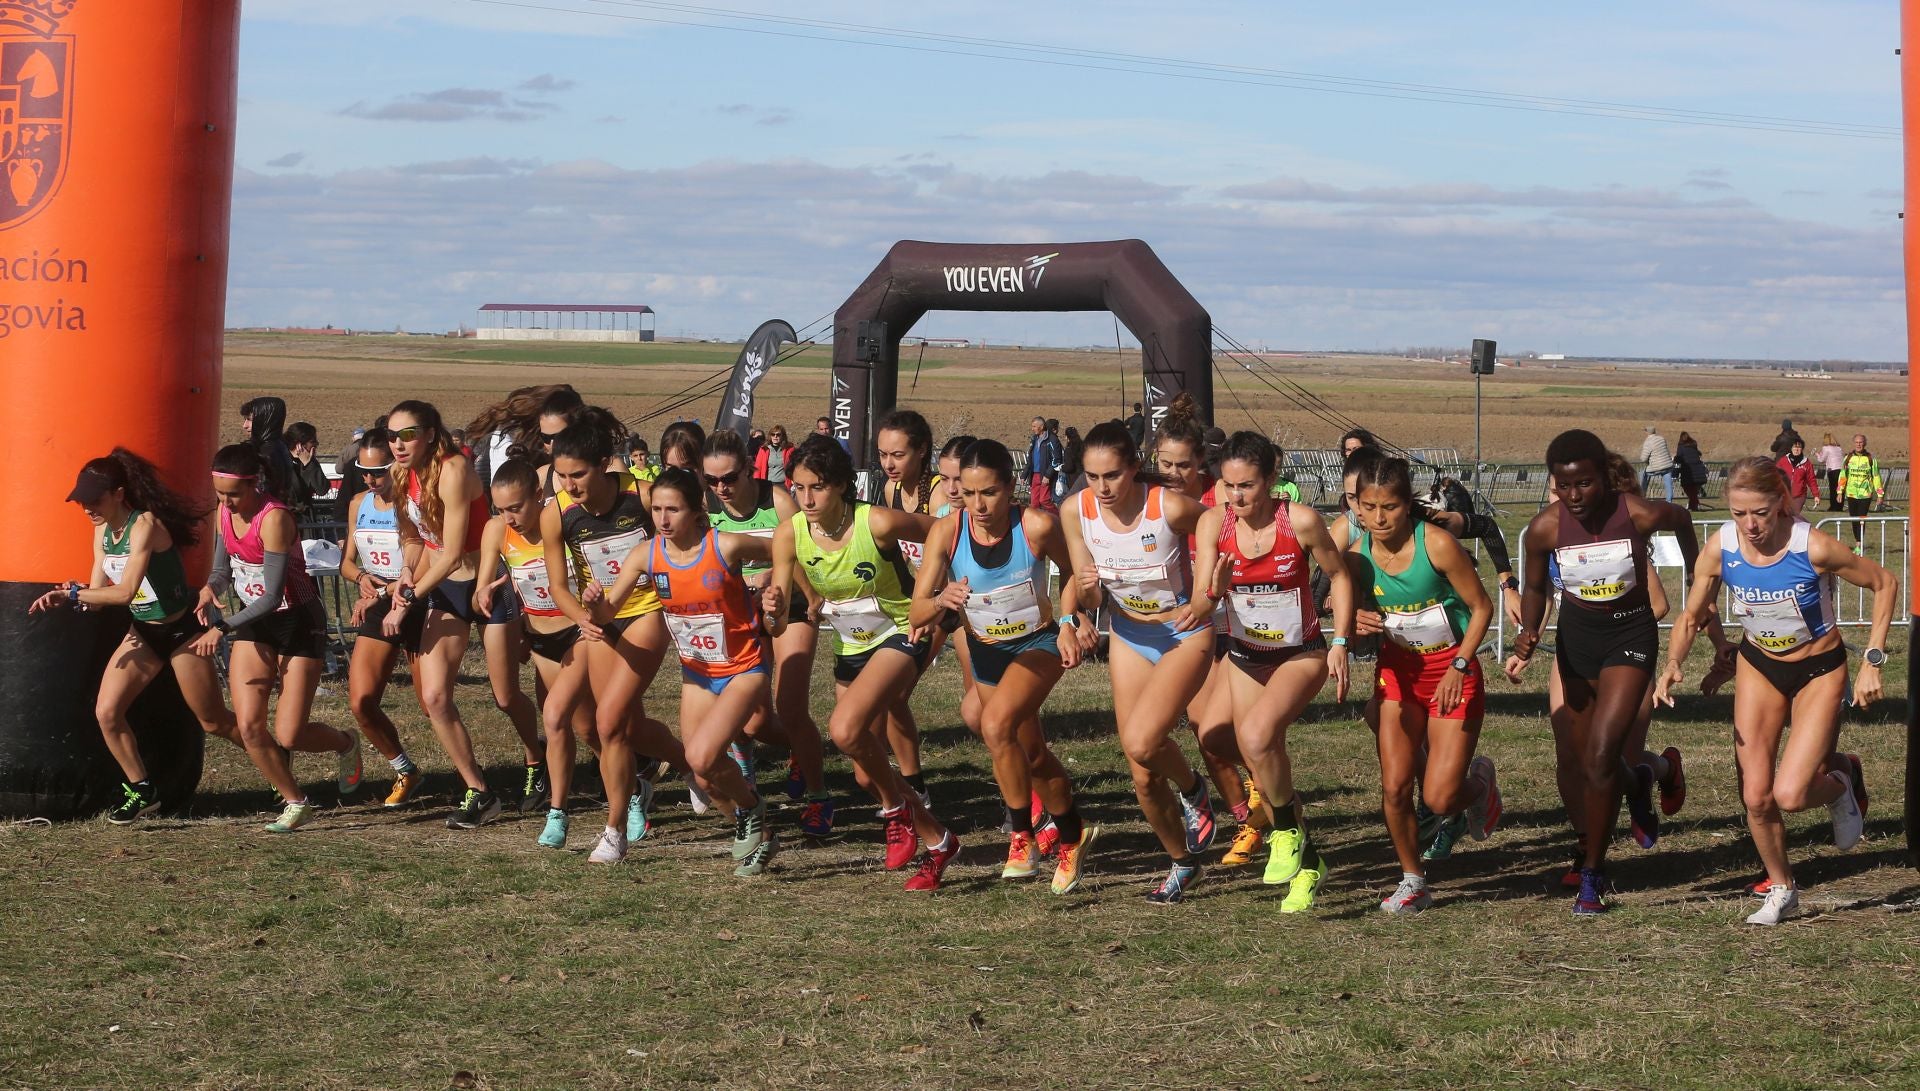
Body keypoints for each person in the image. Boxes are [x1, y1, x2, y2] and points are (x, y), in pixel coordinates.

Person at [1657, 456, 1895, 925]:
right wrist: (1673, 663)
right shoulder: (1720, 548)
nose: (1750, 525)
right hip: (1759, 665)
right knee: (1757, 796)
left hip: (1818, 670)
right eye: (1739, 513)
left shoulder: (1815, 547)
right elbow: (1692, 614)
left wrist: (1872, 661)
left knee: (1789, 794)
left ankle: (1840, 782)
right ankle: (1782, 888)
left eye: (1760, 513)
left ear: (1782, 504)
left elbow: (1884, 583)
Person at [1506, 428, 1699, 915]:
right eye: (1563, 485)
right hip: (1578, 645)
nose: (1574, 496)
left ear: (1604, 479)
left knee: (1599, 754)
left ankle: (1591, 873)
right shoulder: (1545, 528)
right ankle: (1643, 782)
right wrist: (1528, 630)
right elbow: (1534, 588)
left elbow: (1681, 518)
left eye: (1585, 484)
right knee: (1591, 759)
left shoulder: (1636, 512)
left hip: (1630, 639)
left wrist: (1699, 580)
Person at [764, 435, 961, 891]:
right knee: (862, 770)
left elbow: (944, 530)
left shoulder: (875, 521)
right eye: (798, 488)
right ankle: (938, 840)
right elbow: (775, 625)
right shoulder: (788, 533)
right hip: (852, 645)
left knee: (844, 729)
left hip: (901, 632)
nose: (806, 499)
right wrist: (773, 608)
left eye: (817, 488)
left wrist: (937, 590)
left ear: (841, 486)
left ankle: (895, 814)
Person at [909, 438, 1100, 894]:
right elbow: (916, 612)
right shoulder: (947, 532)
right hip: (987, 648)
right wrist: (941, 600)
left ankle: (1021, 837)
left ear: (1010, 487)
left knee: (994, 724)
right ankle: (1074, 835)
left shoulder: (1034, 525)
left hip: (1039, 643)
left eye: (988, 492)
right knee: (1029, 754)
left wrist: (1073, 620)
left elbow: (1075, 570)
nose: (977, 504)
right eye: (968, 493)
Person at [27, 450, 253, 822]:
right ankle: (142, 789)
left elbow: (125, 592)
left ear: (118, 493)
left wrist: (73, 594)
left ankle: (273, 759)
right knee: (107, 712)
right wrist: (77, 591)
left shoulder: (144, 524)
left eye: (94, 500)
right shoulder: (101, 530)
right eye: (82, 502)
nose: (87, 508)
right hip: (144, 632)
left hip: (181, 633)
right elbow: (100, 598)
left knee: (213, 721)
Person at [1190, 431, 1354, 912]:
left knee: (1258, 737)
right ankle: (1309, 863)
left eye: (1248, 486)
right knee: (1261, 759)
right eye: (1229, 486)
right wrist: (1215, 591)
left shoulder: (1299, 521)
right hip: (1245, 654)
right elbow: (1202, 604)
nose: (1237, 497)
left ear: (1271, 479)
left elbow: (1340, 576)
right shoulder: (1211, 525)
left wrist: (1341, 641)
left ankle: (1282, 832)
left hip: (1300, 652)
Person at [1061, 421, 1220, 904]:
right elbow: (1083, 587)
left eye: (1111, 475)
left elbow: (1213, 521)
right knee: (1141, 770)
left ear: (1133, 468)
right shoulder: (1077, 511)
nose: (1102, 488)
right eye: (1091, 476)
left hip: (1182, 633)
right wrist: (1080, 603)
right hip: (1129, 632)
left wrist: (1204, 588)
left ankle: (1194, 791)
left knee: (1142, 739)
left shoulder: (1165, 505)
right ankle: (1182, 862)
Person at [601, 467, 780, 877]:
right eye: (658, 509)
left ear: (696, 511)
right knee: (702, 773)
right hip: (697, 672)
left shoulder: (726, 546)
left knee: (702, 754)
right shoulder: (648, 553)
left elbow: (784, 548)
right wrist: (594, 605)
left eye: (673, 510)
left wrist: (774, 588)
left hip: (743, 667)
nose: (663, 519)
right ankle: (759, 831)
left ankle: (752, 810)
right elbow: (610, 608)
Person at [1346, 452, 1499, 913]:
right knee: (1394, 786)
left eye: (1389, 507)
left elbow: (1482, 609)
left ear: (1406, 502)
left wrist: (1459, 666)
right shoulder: (1358, 558)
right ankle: (1413, 881)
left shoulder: (1436, 545)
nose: (1378, 518)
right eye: (1368, 508)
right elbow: (1348, 619)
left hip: (1451, 671)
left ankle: (1480, 788)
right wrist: (1356, 620)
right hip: (1398, 673)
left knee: (1438, 795)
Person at [543, 407, 690, 863]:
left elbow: (687, 541)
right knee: (621, 727)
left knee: (608, 722)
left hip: (648, 610)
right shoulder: (557, 515)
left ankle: (614, 831)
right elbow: (557, 586)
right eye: (562, 476)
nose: (569, 485)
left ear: (606, 462)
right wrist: (581, 618)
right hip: (599, 620)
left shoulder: (644, 497)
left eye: (578, 474)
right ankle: (691, 765)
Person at [197, 443, 362, 832]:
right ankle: (295, 800)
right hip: (255, 623)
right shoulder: (224, 512)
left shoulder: (274, 519)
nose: (226, 502)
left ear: (255, 484)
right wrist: (209, 587)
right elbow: (223, 569)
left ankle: (345, 743)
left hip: (298, 621)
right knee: (251, 726)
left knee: (291, 732)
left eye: (233, 494)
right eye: (219, 494)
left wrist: (222, 627)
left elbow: (272, 597)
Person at [702, 428, 833, 837]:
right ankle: (794, 753)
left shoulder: (775, 499)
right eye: (712, 480)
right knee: (754, 721)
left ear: (747, 469)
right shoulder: (706, 509)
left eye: (730, 478)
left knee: (790, 709)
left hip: (791, 606)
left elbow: (800, 552)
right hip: (741, 616)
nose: (721, 488)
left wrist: (779, 582)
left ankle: (819, 798)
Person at [381, 400, 502, 828]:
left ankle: (549, 767)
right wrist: (403, 574)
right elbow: (415, 538)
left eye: (408, 434)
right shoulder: (401, 474)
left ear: (431, 433)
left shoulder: (452, 471)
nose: (398, 443)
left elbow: (452, 554)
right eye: (392, 435)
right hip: (443, 586)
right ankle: (480, 792)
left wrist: (409, 600)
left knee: (512, 696)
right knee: (434, 698)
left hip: (485, 578)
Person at [472, 459, 602, 850]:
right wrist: (487, 590)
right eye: (500, 509)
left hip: (577, 632)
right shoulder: (497, 531)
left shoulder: (558, 523)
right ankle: (574, 804)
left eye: (516, 507)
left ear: (538, 497)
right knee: (583, 727)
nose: (508, 517)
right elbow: (484, 581)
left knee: (567, 720)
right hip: (542, 640)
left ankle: (626, 790)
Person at [1152, 395, 1258, 866]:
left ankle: (1268, 798)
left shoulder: (1221, 503)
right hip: (1183, 630)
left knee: (1214, 728)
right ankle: (1245, 816)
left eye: (1183, 465)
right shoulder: (1150, 501)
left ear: (1202, 465)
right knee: (1203, 729)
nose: (1173, 473)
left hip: (1232, 628)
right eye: (1164, 463)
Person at [337, 429, 430, 808]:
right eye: (363, 471)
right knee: (360, 702)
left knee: (432, 704)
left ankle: (481, 783)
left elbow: (426, 561)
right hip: (380, 603)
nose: (369, 479)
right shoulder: (359, 502)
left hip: (418, 601)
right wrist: (362, 580)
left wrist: (384, 591)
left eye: (377, 472)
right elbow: (346, 563)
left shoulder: (414, 503)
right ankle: (405, 770)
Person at [873, 408, 940, 802]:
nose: (889, 464)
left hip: (958, 605)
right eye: (883, 455)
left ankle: (1026, 801)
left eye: (897, 455)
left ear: (921, 451)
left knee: (983, 708)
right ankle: (915, 787)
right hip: (922, 605)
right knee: (895, 694)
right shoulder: (890, 491)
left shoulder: (940, 492)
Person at [239, 396, 302, 512]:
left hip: (262, 517)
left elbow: (259, 492)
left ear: (264, 420)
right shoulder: (280, 447)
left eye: (249, 419)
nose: (245, 425)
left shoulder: (265, 453)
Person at [1840, 434, 1886, 551]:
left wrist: (1880, 494)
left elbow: (1876, 477)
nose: (1858, 444)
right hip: (1851, 493)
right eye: (1856, 442)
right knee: (1853, 519)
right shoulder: (1848, 458)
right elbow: (1843, 476)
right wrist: (1840, 492)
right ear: (1853, 443)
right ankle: (1857, 540)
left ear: (1864, 443)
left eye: (1861, 442)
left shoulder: (1870, 459)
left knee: (1861, 519)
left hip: (1865, 494)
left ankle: (1859, 544)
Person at [283, 422, 330, 522]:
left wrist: (309, 465)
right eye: (313, 441)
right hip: (287, 520)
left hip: (307, 523)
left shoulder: (311, 462)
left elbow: (322, 489)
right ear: (299, 444)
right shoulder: (282, 461)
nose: (317, 444)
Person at [1027, 416, 1063, 513]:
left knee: (1044, 500)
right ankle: (1036, 523)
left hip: (1045, 474)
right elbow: (1030, 457)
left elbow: (1057, 459)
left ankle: (1059, 517)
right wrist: (1024, 474)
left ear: (1041, 427)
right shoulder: (1034, 439)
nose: (1032, 429)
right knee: (1034, 503)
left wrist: (1048, 475)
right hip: (1034, 474)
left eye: (1034, 426)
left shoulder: (1052, 440)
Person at [1674, 432, 1709, 512]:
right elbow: (1698, 454)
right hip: (1699, 472)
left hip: (1688, 473)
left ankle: (1694, 507)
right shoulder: (1694, 446)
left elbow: (1679, 458)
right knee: (1693, 492)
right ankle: (1693, 506)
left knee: (1689, 490)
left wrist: (1675, 459)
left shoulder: (1681, 447)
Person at [1638, 425, 1675, 502]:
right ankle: (1669, 501)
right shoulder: (1662, 439)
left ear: (1647, 432)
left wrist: (1647, 462)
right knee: (1668, 484)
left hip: (1655, 467)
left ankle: (1641, 496)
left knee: (1642, 474)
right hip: (1667, 466)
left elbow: (1643, 458)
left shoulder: (1648, 442)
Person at [1818, 432, 1846, 512]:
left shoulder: (1826, 448)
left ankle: (1833, 506)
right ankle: (1840, 506)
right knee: (1840, 489)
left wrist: (1817, 454)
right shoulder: (1838, 448)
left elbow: (1821, 460)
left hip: (1832, 470)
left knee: (1833, 489)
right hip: (1841, 470)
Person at [1059, 426, 1083, 499]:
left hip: (1073, 479)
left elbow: (1069, 467)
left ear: (1067, 437)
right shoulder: (1082, 446)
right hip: (1084, 476)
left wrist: (1061, 467)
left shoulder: (1069, 450)